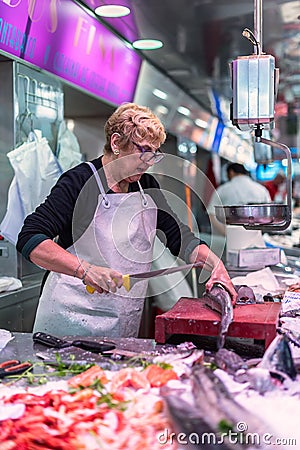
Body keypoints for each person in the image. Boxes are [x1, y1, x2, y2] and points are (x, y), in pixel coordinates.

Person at [17, 103, 237, 337]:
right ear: (116, 143)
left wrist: (216, 265)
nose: (148, 161)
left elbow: (180, 238)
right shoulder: (80, 182)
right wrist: (85, 270)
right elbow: (30, 238)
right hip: (68, 318)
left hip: (121, 319)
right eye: (143, 150)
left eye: (154, 154)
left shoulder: (148, 186)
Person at [207, 162, 271, 236]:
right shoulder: (262, 189)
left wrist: (227, 234)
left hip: (231, 239)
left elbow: (211, 215)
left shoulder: (223, 189)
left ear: (231, 172)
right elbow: (268, 214)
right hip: (257, 237)